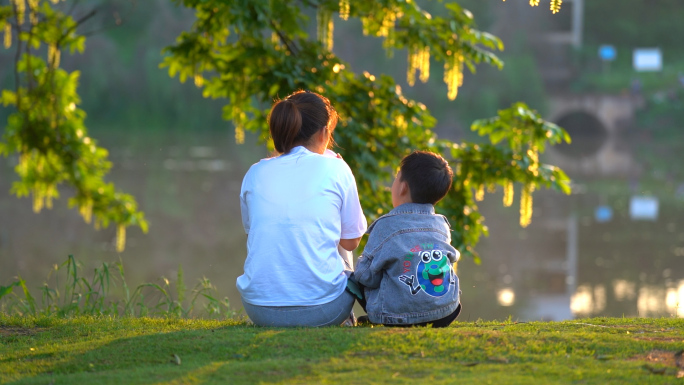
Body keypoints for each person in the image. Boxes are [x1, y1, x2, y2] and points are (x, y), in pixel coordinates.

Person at [237, 90, 367, 327]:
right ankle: (346, 319)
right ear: (323, 132)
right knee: (342, 238)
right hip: (324, 310)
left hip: (259, 310)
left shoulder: (255, 173)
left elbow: (253, 231)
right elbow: (351, 242)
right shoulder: (337, 169)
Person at [353, 151, 461, 327]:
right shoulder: (441, 224)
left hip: (397, 315)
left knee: (354, 276)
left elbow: (366, 276)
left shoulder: (385, 226)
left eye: (397, 177)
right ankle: (428, 312)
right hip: (446, 310)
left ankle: (386, 313)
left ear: (402, 187)